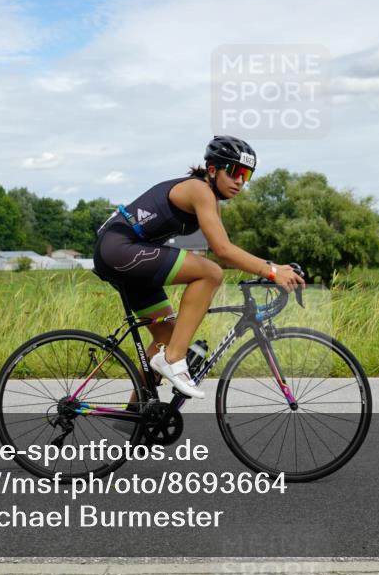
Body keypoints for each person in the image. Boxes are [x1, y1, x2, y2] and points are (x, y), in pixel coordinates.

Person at [92, 135, 306, 399]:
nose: (240, 181)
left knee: (167, 338)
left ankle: (139, 420)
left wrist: (271, 266)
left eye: (246, 175)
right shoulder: (199, 190)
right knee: (210, 273)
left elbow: (227, 245)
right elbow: (223, 251)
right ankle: (174, 360)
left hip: (129, 257)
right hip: (118, 249)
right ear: (213, 170)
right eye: (235, 172)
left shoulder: (211, 199)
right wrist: (272, 271)